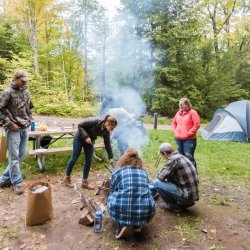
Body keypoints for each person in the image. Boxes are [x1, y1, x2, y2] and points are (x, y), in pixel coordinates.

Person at [108, 148, 155, 239]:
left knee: (111, 197)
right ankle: (137, 225)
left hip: (122, 209)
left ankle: (122, 224)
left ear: (124, 159)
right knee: (143, 196)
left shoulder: (117, 172)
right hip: (146, 212)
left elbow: (112, 190)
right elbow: (147, 188)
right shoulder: (143, 172)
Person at [0, 70, 33, 195]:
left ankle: (4, 179)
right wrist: (9, 124)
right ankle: (17, 183)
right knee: (14, 157)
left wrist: (30, 118)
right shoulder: (7, 92)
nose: (24, 82)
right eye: (22, 80)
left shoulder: (26, 91)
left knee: (21, 155)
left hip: (25, 127)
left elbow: (29, 106)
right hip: (13, 128)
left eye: (26, 80)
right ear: (16, 78)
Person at [64, 115, 117, 189]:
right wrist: (86, 137)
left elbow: (107, 144)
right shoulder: (95, 121)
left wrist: (111, 157)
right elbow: (80, 125)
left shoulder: (106, 132)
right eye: (112, 128)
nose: (112, 130)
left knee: (89, 160)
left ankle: (84, 182)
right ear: (107, 123)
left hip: (89, 141)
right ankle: (67, 178)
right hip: (79, 138)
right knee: (74, 158)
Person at [150, 143, 199, 213]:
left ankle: (172, 205)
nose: (162, 157)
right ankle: (182, 204)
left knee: (156, 183)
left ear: (164, 153)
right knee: (165, 180)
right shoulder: (179, 156)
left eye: (162, 155)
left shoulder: (172, 160)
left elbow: (160, 178)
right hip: (192, 196)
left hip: (186, 197)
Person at [172, 98, 200, 168]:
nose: (180, 106)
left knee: (189, 156)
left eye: (182, 105)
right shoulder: (178, 113)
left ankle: (193, 175)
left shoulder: (193, 112)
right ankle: (184, 174)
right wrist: (175, 131)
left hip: (189, 139)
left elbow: (197, 125)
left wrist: (188, 133)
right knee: (181, 157)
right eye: (179, 105)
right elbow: (174, 123)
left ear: (187, 105)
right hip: (178, 139)